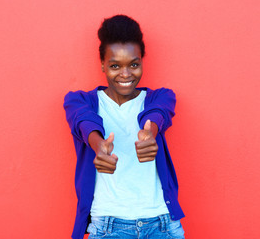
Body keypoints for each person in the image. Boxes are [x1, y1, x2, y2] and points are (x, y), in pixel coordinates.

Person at [64, 15, 185, 239]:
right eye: (115, 65)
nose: (126, 74)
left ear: (141, 62)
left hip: (162, 224)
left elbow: (158, 114)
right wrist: (98, 144)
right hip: (107, 226)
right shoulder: (80, 101)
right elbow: (83, 121)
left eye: (134, 64)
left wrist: (151, 134)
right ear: (102, 64)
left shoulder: (160, 97)